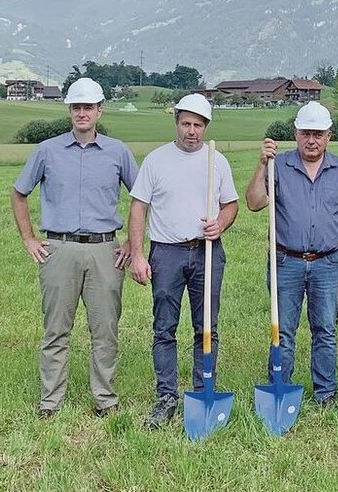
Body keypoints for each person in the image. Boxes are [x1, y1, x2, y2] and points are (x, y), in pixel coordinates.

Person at [11, 77, 137, 419]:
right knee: (55, 329)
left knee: (105, 330)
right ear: (70, 111)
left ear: (100, 110)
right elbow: (19, 193)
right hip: (59, 250)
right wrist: (29, 238)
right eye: (77, 107)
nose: (82, 113)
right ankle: (50, 401)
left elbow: (141, 199)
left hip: (105, 251)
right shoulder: (47, 150)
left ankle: (105, 399)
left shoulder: (118, 151)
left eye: (88, 107)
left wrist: (132, 243)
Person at [127, 93, 239, 430]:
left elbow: (231, 204)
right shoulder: (156, 161)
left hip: (207, 251)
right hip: (167, 252)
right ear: (176, 123)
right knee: (164, 327)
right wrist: (136, 254)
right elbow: (138, 208)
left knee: (206, 326)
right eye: (186, 123)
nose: (191, 131)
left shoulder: (216, 161)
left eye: (197, 125)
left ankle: (203, 389)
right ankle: (166, 396)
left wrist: (221, 222)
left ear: (205, 127)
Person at [244, 101, 338, 406]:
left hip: (327, 262)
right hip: (286, 261)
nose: (312, 140)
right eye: (306, 133)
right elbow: (255, 202)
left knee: (325, 329)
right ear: (296, 134)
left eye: (319, 134)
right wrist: (261, 164)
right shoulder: (278, 165)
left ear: (329, 136)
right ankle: (280, 389)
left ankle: (325, 393)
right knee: (283, 330)